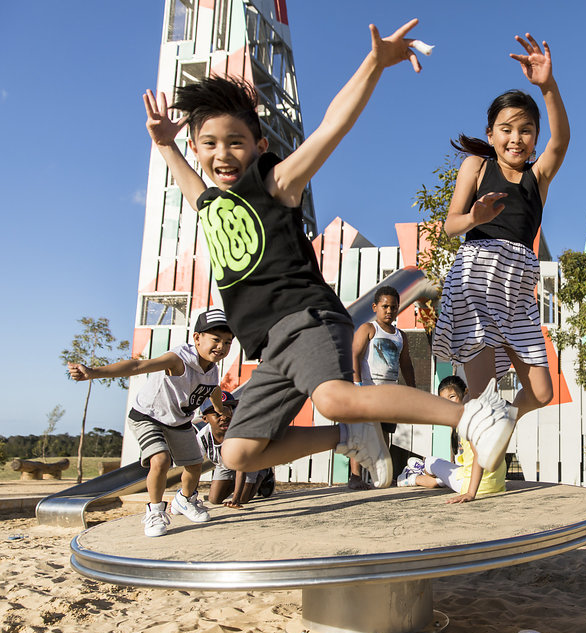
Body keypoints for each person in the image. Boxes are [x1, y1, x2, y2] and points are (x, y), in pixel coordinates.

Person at [141, 18, 515, 488]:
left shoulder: (274, 183)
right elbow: (186, 176)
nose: (223, 154)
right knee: (239, 452)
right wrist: (164, 144)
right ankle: (346, 436)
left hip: (307, 318)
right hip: (271, 346)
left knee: (334, 395)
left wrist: (374, 64)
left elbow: (329, 128)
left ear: (258, 146)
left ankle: (469, 416)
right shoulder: (210, 202)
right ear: (196, 148)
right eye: (211, 144)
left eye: (235, 142)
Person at [431, 33, 569, 420]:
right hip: (478, 275)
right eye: (506, 129)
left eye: (526, 130)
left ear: (535, 138)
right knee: (483, 394)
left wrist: (548, 86)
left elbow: (562, 141)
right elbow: (449, 226)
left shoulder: (537, 176)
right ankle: (478, 474)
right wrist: (475, 217)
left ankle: (492, 425)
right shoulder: (476, 166)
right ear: (490, 134)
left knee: (541, 392)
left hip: (519, 283)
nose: (516, 137)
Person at [67, 310, 233, 537]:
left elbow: (213, 389)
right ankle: (155, 512)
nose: (221, 347)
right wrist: (93, 372)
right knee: (161, 459)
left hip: (178, 420)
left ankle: (184, 500)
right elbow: (137, 367)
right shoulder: (178, 359)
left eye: (227, 342)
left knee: (195, 465)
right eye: (215, 340)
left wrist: (219, 408)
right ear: (197, 338)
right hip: (148, 416)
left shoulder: (212, 369)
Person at [397, 376, 507, 503]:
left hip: (473, 486)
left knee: (430, 461)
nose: (448, 403)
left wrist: (470, 493)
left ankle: (413, 476)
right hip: (497, 485)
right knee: (445, 476)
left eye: (452, 397)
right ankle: (433, 476)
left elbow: (479, 456)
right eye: (443, 400)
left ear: (466, 393)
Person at [349, 286, 416, 489]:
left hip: (390, 394)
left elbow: (406, 364)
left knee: (384, 434)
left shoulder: (400, 336)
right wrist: (357, 383)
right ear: (375, 307)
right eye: (385, 306)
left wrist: (412, 388)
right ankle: (355, 476)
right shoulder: (369, 329)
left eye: (394, 307)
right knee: (361, 433)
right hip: (369, 391)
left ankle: (382, 476)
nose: (389, 310)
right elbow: (355, 355)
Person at [196, 390, 275, 507]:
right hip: (224, 465)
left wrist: (235, 498)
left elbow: (241, 467)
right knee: (214, 499)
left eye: (227, 411)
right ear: (205, 419)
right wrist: (187, 496)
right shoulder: (203, 437)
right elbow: (194, 467)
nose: (224, 417)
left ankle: (264, 472)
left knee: (244, 498)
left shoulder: (239, 432)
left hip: (248, 463)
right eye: (217, 414)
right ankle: (236, 482)